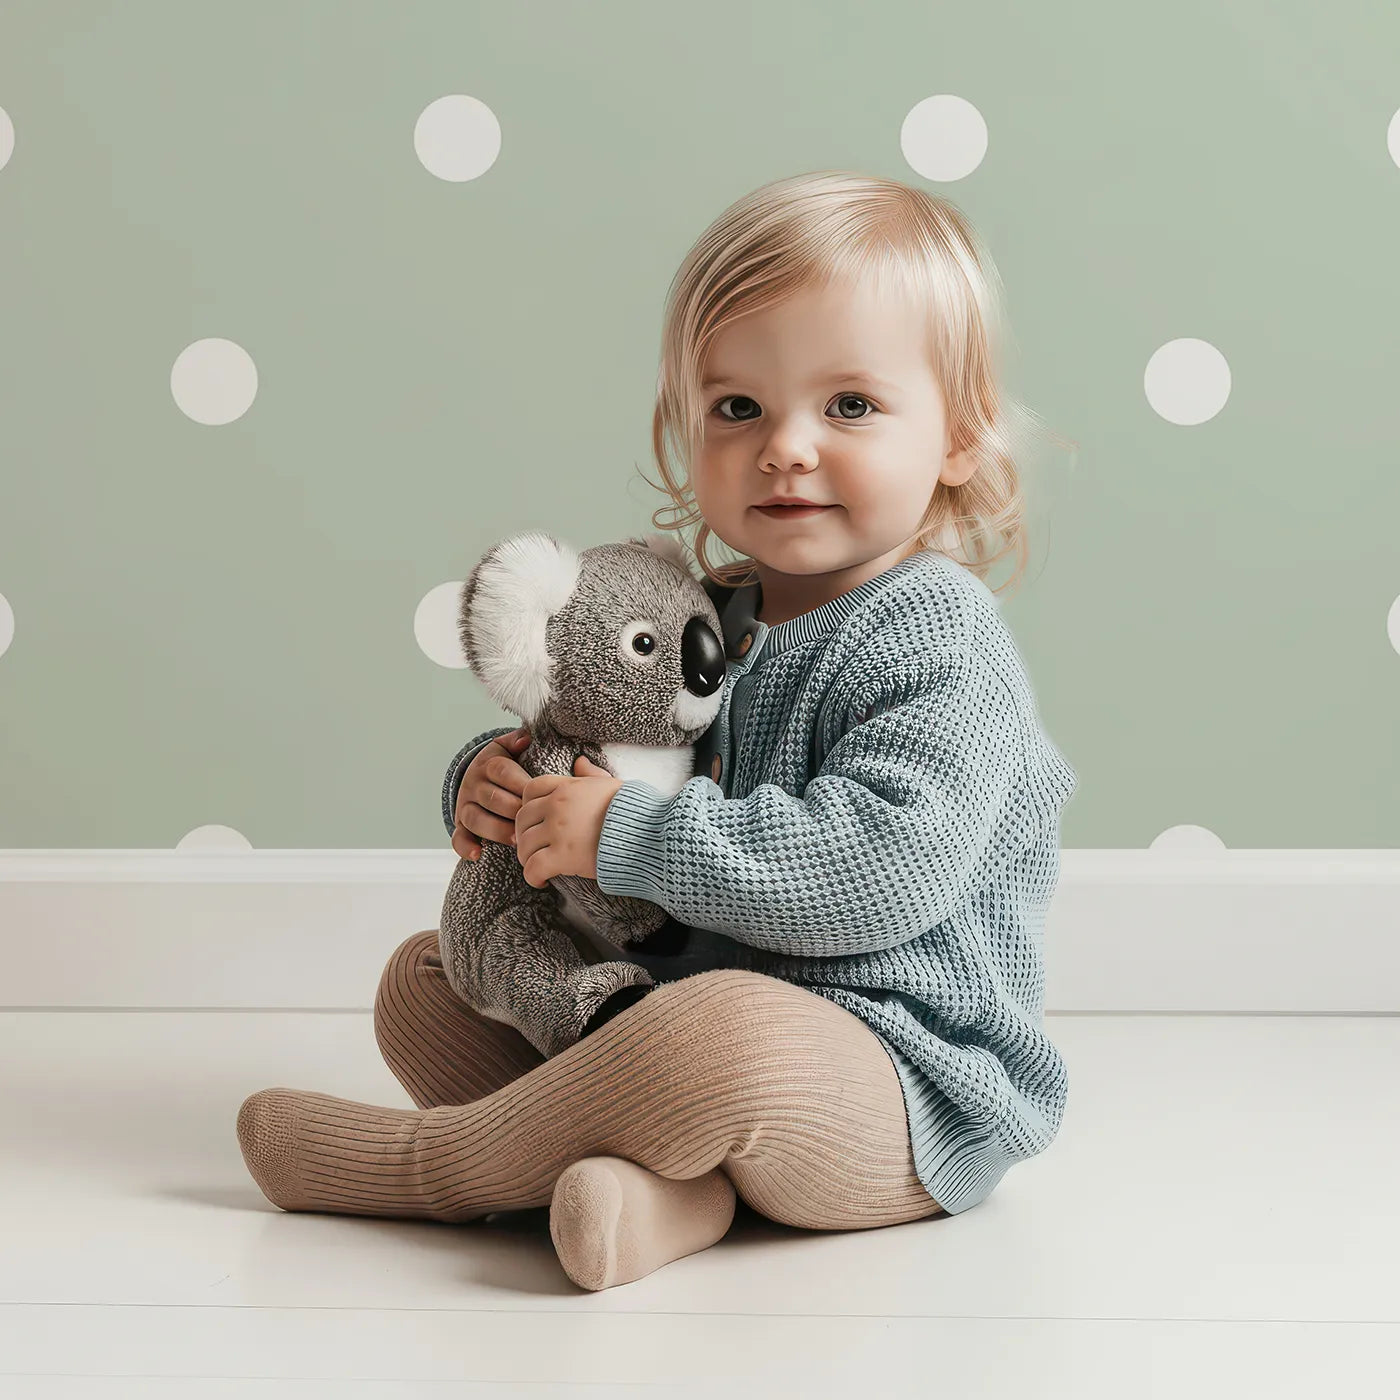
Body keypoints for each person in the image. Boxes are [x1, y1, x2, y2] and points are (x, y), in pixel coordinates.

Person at [236, 169, 1079, 1293]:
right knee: (429, 981)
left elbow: (877, 871)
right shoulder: (699, 610)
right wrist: (499, 791)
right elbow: (592, 737)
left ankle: (430, 1167)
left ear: (959, 438)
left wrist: (627, 834)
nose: (784, 446)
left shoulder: (937, 639)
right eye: (738, 408)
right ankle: (666, 1197)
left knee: (719, 1034)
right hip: (688, 1023)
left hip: (896, 1076)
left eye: (848, 406)